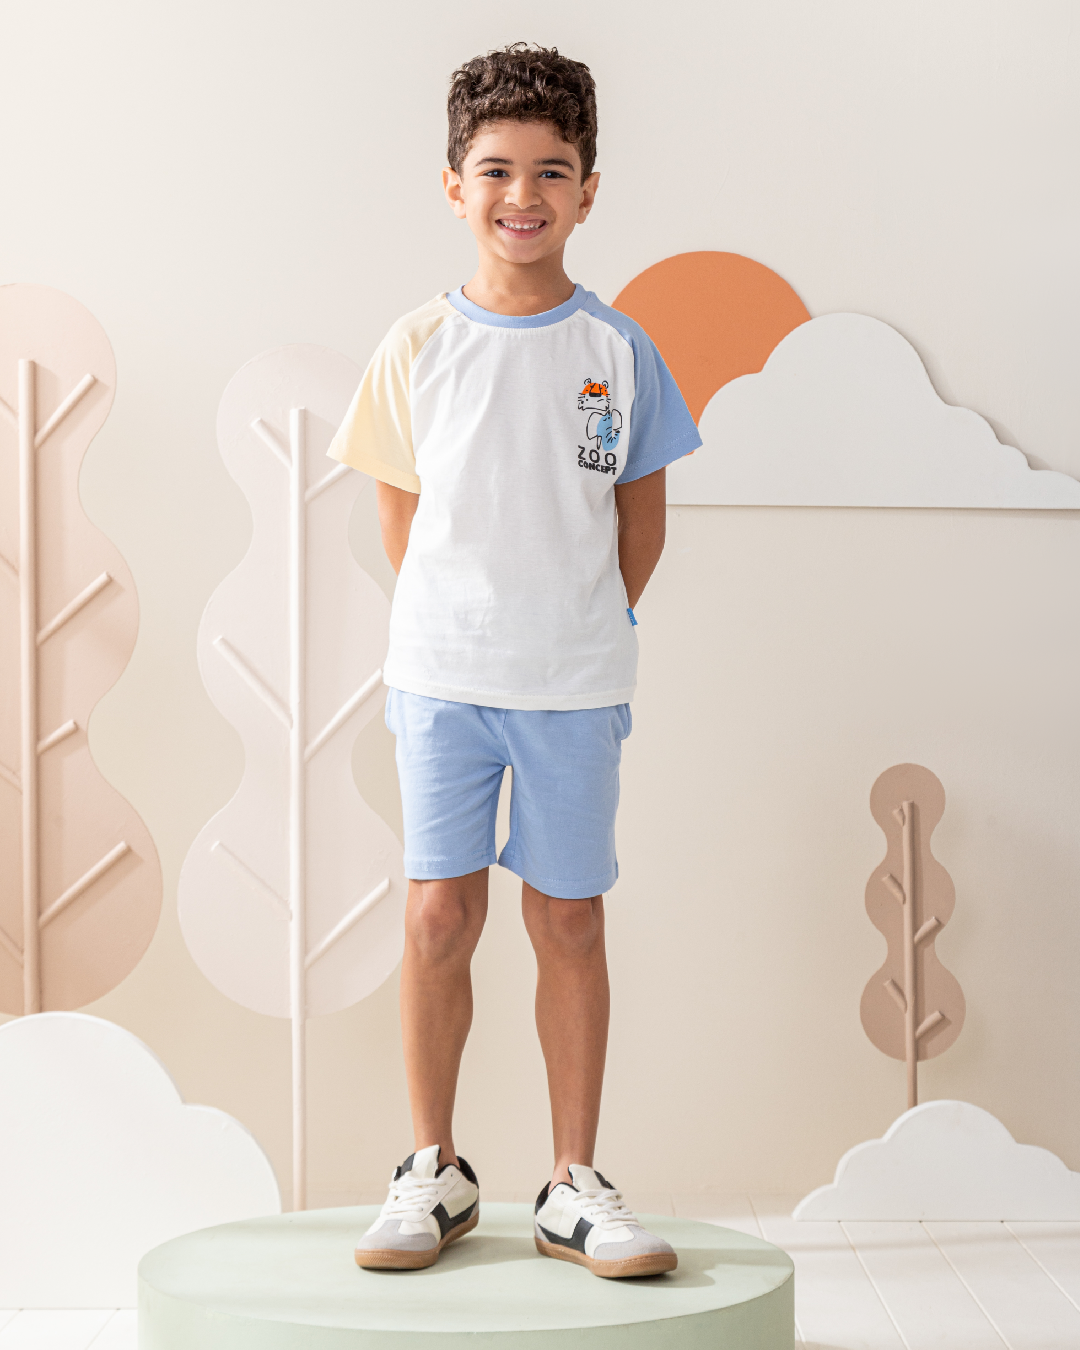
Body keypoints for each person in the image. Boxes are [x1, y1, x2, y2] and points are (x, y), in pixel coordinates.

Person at [328, 42, 701, 1279]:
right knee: (438, 914)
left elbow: (639, 527)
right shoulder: (417, 343)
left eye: (552, 170)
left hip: (575, 687)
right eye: (495, 170)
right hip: (442, 680)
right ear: (454, 186)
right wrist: (467, 625)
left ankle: (572, 1184)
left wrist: (574, 625)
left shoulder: (620, 351)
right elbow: (403, 521)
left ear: (589, 190)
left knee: (570, 919)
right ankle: (432, 1172)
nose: (522, 194)